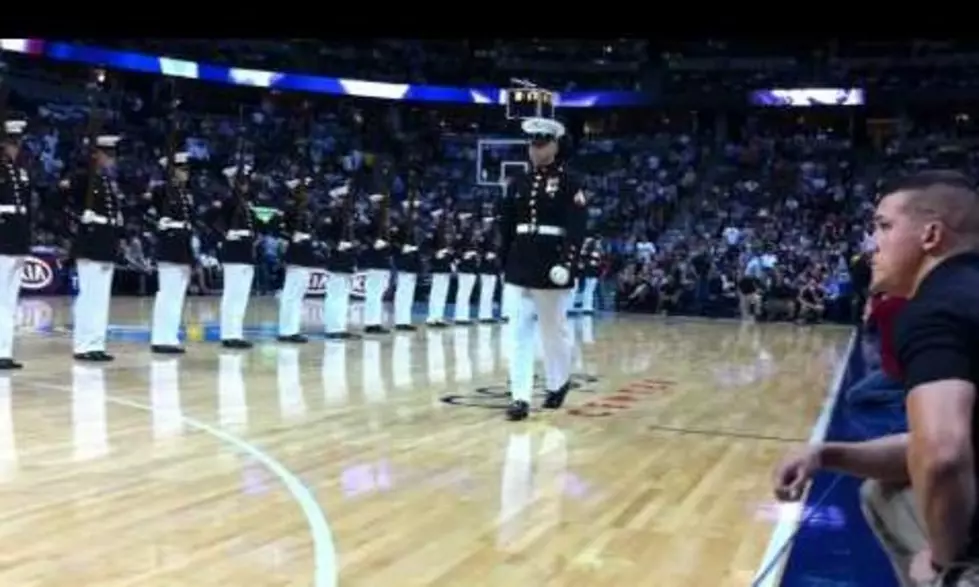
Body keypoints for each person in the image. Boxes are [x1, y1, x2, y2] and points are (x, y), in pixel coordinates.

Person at [773, 170, 979, 586]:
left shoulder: (935, 308)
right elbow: (944, 445)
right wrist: (827, 454)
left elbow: (942, 455)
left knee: (909, 511)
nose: (872, 245)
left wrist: (944, 560)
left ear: (931, 235)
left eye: (884, 227)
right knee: (880, 490)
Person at [499, 116, 587, 421]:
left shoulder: (570, 181)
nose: (536, 149)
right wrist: (503, 263)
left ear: (555, 145)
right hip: (520, 262)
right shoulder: (518, 183)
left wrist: (567, 262)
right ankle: (520, 397)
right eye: (532, 144)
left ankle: (558, 381)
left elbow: (577, 227)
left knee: (553, 331)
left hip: (551, 264)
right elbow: (507, 227)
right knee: (518, 332)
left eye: (542, 143)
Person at [66, 134, 125, 362]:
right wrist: (80, 215)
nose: (111, 159)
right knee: (89, 295)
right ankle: (83, 344)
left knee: (101, 297)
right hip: (89, 242)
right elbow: (60, 202)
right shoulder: (83, 178)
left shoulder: (107, 182)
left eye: (112, 154)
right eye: (106, 154)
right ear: (96, 155)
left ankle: (96, 343)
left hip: (105, 240)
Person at [149, 151, 195, 354]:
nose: (186, 173)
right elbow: (143, 209)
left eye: (187, 169)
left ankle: (170, 336)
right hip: (168, 245)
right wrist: (156, 222)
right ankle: (160, 338)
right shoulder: (162, 191)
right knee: (167, 294)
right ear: (172, 171)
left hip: (182, 246)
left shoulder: (184, 194)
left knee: (177, 296)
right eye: (181, 169)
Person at [215, 164, 260, 349]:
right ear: (233, 182)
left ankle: (236, 332)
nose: (245, 185)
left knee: (241, 296)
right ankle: (228, 333)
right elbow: (215, 221)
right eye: (241, 181)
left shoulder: (247, 203)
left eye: (246, 181)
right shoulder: (228, 201)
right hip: (233, 252)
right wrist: (226, 233)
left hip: (246, 252)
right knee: (232, 295)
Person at [0, 118, 29, 369]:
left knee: (10, 299)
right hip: (2, 236)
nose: (15, 148)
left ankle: (5, 351)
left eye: (17, 143)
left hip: (17, 238)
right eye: (11, 142)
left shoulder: (20, 172)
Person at [277, 177, 316, 343]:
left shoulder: (306, 210)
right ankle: (286, 330)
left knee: (299, 293)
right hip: (295, 252)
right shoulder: (290, 209)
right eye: (303, 191)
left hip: (305, 253)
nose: (306, 194)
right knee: (291, 294)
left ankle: (293, 329)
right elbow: (280, 230)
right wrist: (292, 236)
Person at [323, 184, 358, 340]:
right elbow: (324, 235)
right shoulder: (332, 215)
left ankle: (340, 326)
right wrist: (337, 245)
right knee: (335, 295)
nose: (346, 202)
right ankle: (332, 328)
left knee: (343, 296)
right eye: (343, 199)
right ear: (337, 200)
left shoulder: (349, 217)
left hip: (347, 261)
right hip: (336, 260)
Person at [360, 191, 392, 335]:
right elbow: (364, 236)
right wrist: (373, 242)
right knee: (373, 293)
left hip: (383, 260)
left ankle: (375, 322)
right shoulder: (373, 220)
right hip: (375, 260)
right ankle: (371, 323)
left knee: (378, 293)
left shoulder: (385, 222)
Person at [392, 196, 420, 331]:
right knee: (403, 292)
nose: (415, 214)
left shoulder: (415, 227)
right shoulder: (401, 225)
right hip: (404, 262)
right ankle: (400, 321)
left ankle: (405, 320)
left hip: (412, 264)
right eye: (412, 211)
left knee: (408, 293)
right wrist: (403, 248)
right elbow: (394, 243)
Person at [453, 217, 479, 325]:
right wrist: (463, 256)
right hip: (464, 266)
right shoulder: (461, 236)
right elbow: (456, 250)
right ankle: (460, 317)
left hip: (471, 267)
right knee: (463, 292)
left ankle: (464, 316)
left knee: (467, 292)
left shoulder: (473, 238)